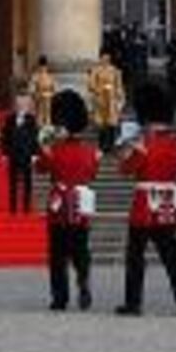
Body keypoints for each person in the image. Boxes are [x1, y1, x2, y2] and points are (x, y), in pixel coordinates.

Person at [115, 80, 176, 318]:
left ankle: (134, 302)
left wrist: (128, 151)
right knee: (171, 256)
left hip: (144, 206)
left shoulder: (144, 145)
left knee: (135, 257)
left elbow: (126, 170)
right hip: (167, 204)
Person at [38, 90, 102, 311]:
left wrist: (44, 149)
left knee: (57, 254)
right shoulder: (89, 151)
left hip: (59, 206)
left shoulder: (55, 150)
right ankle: (83, 280)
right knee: (80, 249)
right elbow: (93, 174)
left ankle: (60, 297)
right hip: (81, 206)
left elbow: (40, 169)